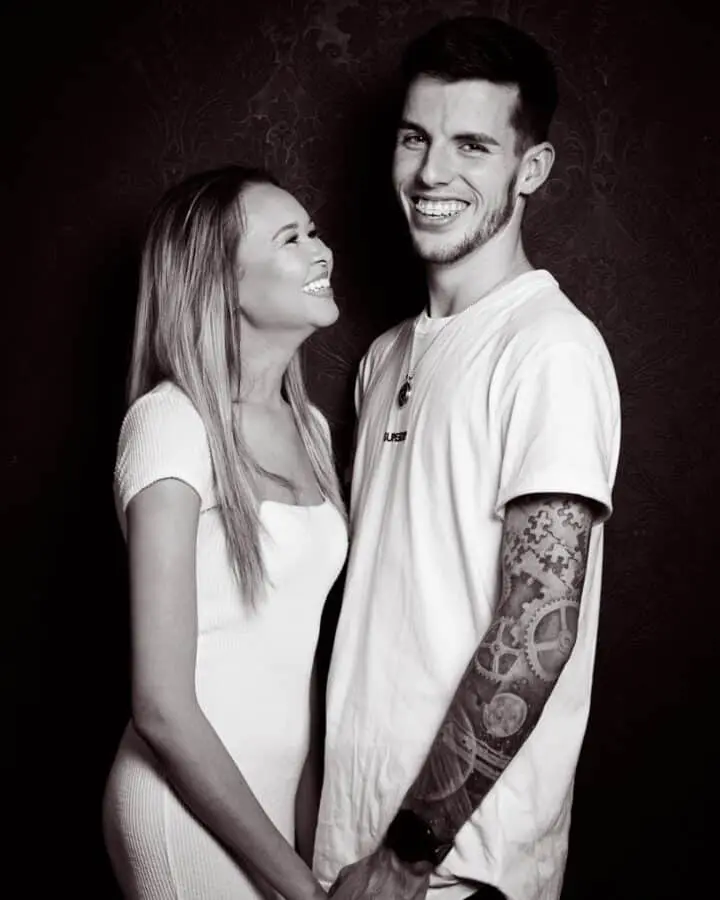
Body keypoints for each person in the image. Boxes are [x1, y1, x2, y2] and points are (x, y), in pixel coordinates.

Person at [313, 15, 621, 900]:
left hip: (452, 872)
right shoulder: (383, 356)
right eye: (417, 138)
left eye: (472, 146)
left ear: (531, 170)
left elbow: (538, 629)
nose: (432, 173)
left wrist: (408, 860)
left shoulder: (548, 347)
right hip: (347, 845)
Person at [102, 164, 348, 900]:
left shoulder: (312, 429)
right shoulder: (170, 423)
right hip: (183, 809)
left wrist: (306, 837)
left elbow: (294, 650)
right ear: (224, 282)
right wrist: (299, 890)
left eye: (315, 231)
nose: (322, 250)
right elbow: (161, 707)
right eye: (291, 238)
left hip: (272, 808)